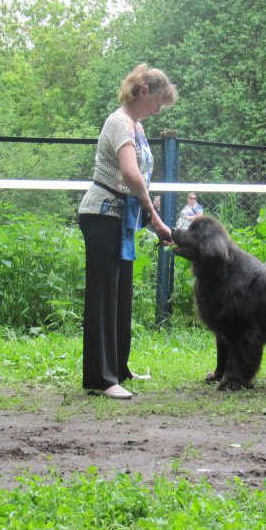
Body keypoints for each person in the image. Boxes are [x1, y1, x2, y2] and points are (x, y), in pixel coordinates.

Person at [77, 63, 177, 400]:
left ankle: (118, 368)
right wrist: (155, 216)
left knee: (120, 296)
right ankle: (100, 378)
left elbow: (139, 182)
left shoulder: (136, 126)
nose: (158, 109)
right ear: (143, 91)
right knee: (103, 297)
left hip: (122, 219)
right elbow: (131, 176)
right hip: (102, 216)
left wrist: (149, 215)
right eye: (158, 101)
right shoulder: (120, 122)